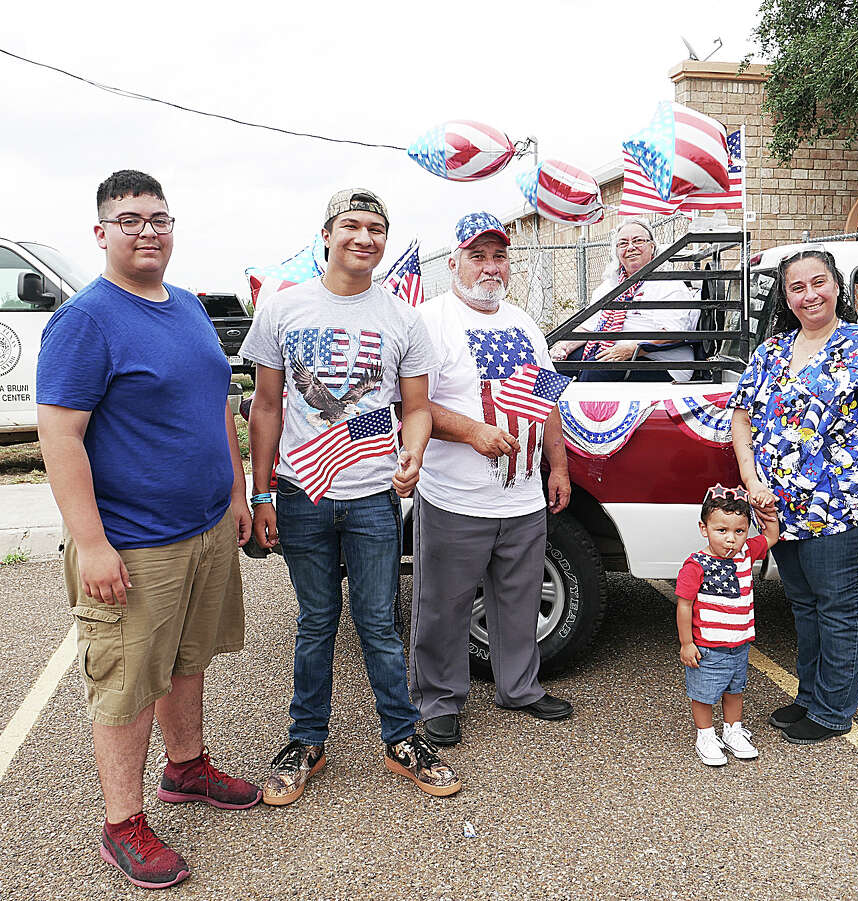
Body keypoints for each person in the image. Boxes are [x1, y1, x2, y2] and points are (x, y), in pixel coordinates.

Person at [37, 170, 260, 890]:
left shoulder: (190, 307)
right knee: (127, 682)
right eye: (129, 219)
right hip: (133, 541)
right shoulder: (86, 320)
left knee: (187, 659)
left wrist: (237, 492)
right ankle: (121, 823)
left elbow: (218, 407)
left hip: (203, 528)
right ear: (101, 232)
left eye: (158, 218)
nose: (147, 231)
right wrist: (94, 542)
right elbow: (60, 438)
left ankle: (187, 768)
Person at [241, 188, 460, 804]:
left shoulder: (401, 317)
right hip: (301, 492)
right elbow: (266, 406)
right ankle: (306, 739)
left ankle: (402, 738)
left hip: (371, 496)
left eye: (377, 229)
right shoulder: (283, 308)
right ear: (327, 235)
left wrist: (413, 451)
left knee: (378, 624)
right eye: (352, 227)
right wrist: (261, 495)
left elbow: (413, 409)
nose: (364, 239)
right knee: (316, 622)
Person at [727, 246, 858, 745]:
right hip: (781, 514)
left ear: (837, 286)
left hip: (848, 513)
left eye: (819, 283)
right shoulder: (771, 352)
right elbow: (742, 415)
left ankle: (833, 710)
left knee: (841, 609)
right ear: (786, 295)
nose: (809, 294)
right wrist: (751, 481)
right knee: (806, 608)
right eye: (797, 287)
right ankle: (810, 695)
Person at [409, 212, 573, 747]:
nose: (489, 267)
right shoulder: (429, 321)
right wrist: (472, 433)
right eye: (477, 256)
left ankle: (519, 687)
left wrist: (559, 465)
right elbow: (413, 404)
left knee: (519, 600)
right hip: (456, 498)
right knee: (443, 604)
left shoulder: (523, 323)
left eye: (498, 256)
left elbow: (545, 396)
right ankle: (439, 700)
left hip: (522, 495)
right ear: (453, 262)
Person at [675, 486, 779, 766]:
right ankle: (705, 735)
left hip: (739, 644)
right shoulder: (695, 565)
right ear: (704, 528)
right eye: (722, 530)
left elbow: (771, 535)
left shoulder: (746, 554)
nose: (731, 539)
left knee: (735, 690)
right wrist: (687, 643)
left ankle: (732, 731)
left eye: (739, 531)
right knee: (704, 693)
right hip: (708, 646)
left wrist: (767, 512)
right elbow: (684, 605)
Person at [549, 218, 699, 382]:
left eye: (638, 241)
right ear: (616, 251)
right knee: (558, 366)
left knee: (595, 370)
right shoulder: (610, 285)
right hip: (614, 349)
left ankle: (583, 407)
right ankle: (557, 408)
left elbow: (673, 333)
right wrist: (564, 347)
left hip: (662, 361)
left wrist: (631, 348)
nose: (631, 247)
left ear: (652, 246)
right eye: (623, 243)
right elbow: (590, 327)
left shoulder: (668, 284)